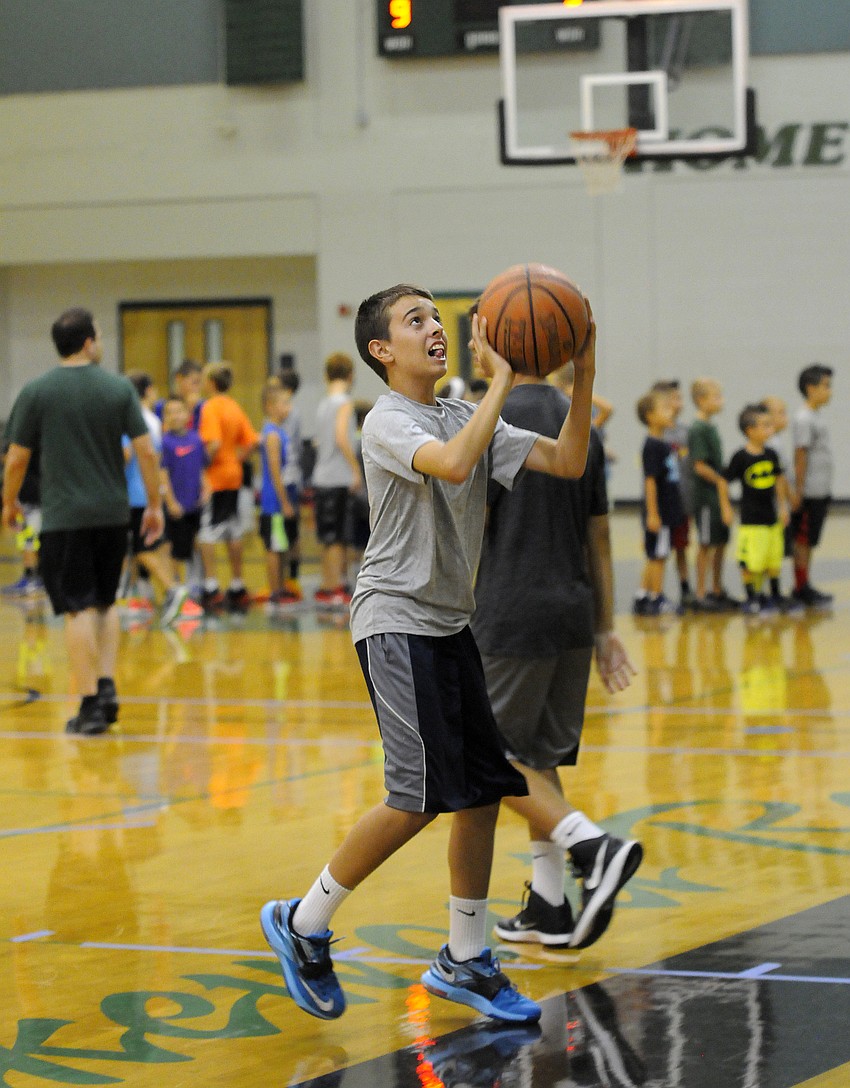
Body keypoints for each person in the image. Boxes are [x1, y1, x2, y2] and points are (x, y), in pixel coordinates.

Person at [259, 282, 597, 1026]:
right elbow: (449, 464)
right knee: (416, 797)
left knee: (481, 792)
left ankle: (467, 959)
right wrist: (503, 380)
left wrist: (585, 361)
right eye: (417, 321)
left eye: (438, 318)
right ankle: (303, 920)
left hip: (449, 624)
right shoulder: (387, 418)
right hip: (395, 622)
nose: (435, 328)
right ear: (382, 350)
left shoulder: (457, 411)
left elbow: (570, 461)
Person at [472, 364, 641, 951]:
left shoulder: (487, 421)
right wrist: (605, 627)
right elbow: (601, 536)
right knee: (535, 759)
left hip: (510, 612)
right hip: (573, 611)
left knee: (483, 760)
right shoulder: (581, 424)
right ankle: (549, 904)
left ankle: (594, 847)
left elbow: (475, 531)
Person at [1, 308, 163, 734]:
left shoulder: (35, 392)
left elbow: (16, 458)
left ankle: (90, 703)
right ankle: (107, 686)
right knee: (107, 603)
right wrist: (154, 505)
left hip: (63, 518)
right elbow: (146, 451)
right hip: (112, 513)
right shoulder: (117, 388)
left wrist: (9, 503)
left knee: (76, 610)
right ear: (89, 342)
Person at [197, 362, 259, 613]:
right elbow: (252, 441)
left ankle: (211, 585)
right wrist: (236, 459)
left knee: (208, 532)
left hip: (215, 478)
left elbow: (212, 444)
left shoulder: (210, 407)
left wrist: (203, 465)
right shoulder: (234, 407)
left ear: (211, 382)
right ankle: (237, 583)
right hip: (234, 476)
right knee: (233, 531)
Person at [724, 403, 791, 616]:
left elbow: (779, 480)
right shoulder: (740, 457)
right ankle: (752, 596)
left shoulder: (771, 454)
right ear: (750, 431)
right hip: (751, 519)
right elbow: (723, 481)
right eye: (765, 426)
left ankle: (773, 594)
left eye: (771, 426)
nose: (770, 430)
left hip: (771, 517)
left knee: (772, 559)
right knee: (752, 561)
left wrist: (783, 507)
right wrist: (726, 507)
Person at [312, 352, 362, 608]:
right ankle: (336, 586)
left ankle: (328, 584)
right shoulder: (343, 403)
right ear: (350, 374)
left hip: (322, 477)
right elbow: (342, 437)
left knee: (328, 536)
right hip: (337, 477)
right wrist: (356, 470)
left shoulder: (324, 404)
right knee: (338, 537)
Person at [633, 390, 685, 616]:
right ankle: (657, 597)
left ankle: (643, 595)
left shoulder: (663, 444)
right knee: (659, 555)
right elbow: (650, 482)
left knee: (654, 553)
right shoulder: (652, 446)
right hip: (659, 512)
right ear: (650, 416)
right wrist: (653, 514)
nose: (671, 411)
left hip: (666, 509)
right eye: (665, 408)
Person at [687, 378, 735, 610]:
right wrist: (720, 480)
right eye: (716, 397)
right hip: (706, 498)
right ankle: (700, 592)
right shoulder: (698, 429)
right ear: (700, 401)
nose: (721, 401)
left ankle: (717, 588)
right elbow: (699, 465)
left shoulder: (711, 426)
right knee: (706, 543)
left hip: (717, 496)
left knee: (720, 541)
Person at [789, 364, 834, 607]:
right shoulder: (804, 418)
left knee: (811, 539)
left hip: (820, 489)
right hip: (808, 491)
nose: (830, 391)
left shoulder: (816, 415)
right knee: (803, 540)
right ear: (810, 388)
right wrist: (798, 490)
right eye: (825, 386)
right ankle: (800, 586)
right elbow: (800, 455)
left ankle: (805, 583)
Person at [159, 395, 208, 593]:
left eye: (179, 411)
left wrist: (206, 488)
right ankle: (176, 586)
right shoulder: (165, 443)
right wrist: (170, 501)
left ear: (187, 414)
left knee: (194, 543)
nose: (175, 416)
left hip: (195, 504)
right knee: (175, 548)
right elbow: (162, 474)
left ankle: (194, 581)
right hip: (176, 505)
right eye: (170, 413)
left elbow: (202, 469)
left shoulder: (196, 439)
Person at [653, 380, 693, 611]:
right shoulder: (658, 435)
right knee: (658, 552)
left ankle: (685, 589)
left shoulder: (685, 431)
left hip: (682, 500)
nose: (679, 404)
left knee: (682, 547)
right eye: (674, 398)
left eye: (680, 398)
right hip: (662, 503)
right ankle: (653, 593)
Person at [258, 379, 297, 608]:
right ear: (270, 406)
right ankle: (274, 590)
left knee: (281, 545)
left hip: (281, 501)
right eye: (284, 403)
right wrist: (284, 502)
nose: (288, 408)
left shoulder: (279, 431)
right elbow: (275, 472)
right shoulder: (271, 434)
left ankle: (281, 586)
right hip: (274, 503)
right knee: (274, 547)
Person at [1, 445, 43, 597]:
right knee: (30, 539)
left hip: (30, 499)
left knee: (28, 540)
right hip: (35, 496)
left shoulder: (23, 446)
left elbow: (13, 460)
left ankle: (32, 577)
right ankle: (37, 575)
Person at [279, 368, 305, 600]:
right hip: (285, 478)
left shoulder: (289, 413)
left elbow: (286, 448)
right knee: (282, 533)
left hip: (288, 479)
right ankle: (283, 580)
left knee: (291, 531)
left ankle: (293, 578)